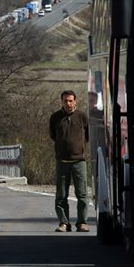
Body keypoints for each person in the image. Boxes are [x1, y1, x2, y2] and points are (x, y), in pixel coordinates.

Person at [49, 90, 89, 232]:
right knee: (61, 195)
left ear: (75, 101)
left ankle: (82, 222)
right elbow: (53, 135)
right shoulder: (55, 117)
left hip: (79, 161)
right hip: (62, 161)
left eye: (71, 100)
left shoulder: (82, 116)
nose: (68, 103)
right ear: (61, 102)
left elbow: (88, 136)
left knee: (82, 194)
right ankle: (64, 223)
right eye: (66, 101)